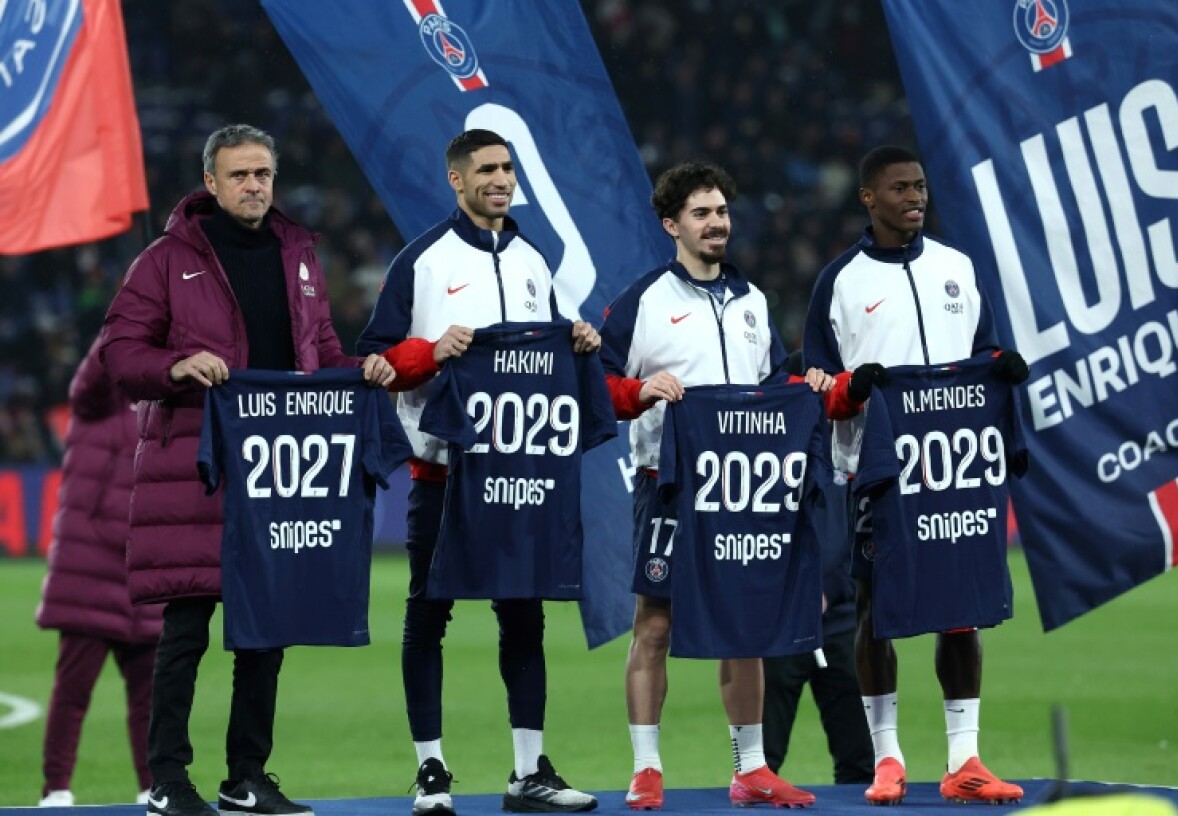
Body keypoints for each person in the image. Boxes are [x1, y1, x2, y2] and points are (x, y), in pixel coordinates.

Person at [99, 124, 396, 816]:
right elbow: (120, 352)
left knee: (267, 628)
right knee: (186, 630)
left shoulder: (299, 254)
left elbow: (321, 353)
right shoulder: (166, 259)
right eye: (239, 175)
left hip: (275, 470)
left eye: (263, 173)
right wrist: (174, 365)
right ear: (210, 182)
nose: (254, 186)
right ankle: (168, 780)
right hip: (196, 470)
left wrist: (366, 370)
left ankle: (247, 775)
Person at [356, 128, 601, 816]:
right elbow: (374, 359)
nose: (500, 178)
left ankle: (528, 774)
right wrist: (432, 351)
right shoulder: (423, 261)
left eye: (507, 167)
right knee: (427, 617)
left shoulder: (531, 259)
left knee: (524, 618)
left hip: (521, 476)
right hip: (444, 477)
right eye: (486, 168)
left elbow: (546, 365)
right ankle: (431, 771)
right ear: (456, 180)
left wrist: (577, 340)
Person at [802, 145, 1030, 806]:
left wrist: (1002, 367)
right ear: (868, 198)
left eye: (920, 186)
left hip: (956, 469)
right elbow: (817, 386)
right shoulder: (839, 283)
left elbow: (982, 353)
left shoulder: (957, 267)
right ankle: (888, 757)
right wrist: (853, 389)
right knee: (877, 610)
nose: (915, 197)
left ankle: (965, 758)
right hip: (880, 472)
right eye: (900, 187)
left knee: (962, 613)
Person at [600, 162, 830, 810]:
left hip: (745, 491)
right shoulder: (644, 300)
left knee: (747, 623)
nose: (716, 223)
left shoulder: (753, 302)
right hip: (670, 488)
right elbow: (598, 385)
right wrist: (639, 390)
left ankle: (751, 768)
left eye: (722, 211)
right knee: (655, 623)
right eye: (702, 213)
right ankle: (646, 769)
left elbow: (774, 387)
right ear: (672, 224)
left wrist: (802, 388)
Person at [35, 336, 163, 808]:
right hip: (89, 575)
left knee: (149, 701)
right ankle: (57, 791)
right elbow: (93, 373)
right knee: (72, 693)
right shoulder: (96, 404)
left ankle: (153, 788)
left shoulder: (165, 410)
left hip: (144, 579)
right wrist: (123, 325)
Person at [761, 355, 874, 787]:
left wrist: (836, 587)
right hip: (783, 621)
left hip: (843, 622)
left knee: (860, 761)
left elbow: (863, 532)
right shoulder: (768, 452)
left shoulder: (852, 441)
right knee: (761, 764)